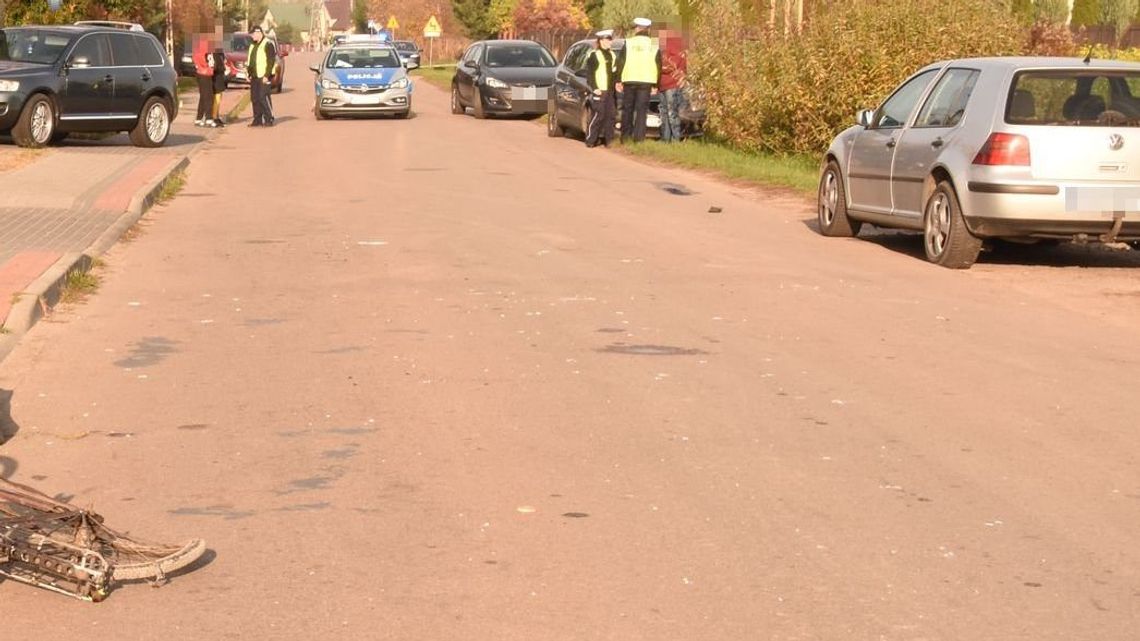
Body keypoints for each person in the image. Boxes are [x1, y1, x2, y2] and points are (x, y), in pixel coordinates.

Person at [615, 17, 661, 143]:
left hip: (629, 80)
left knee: (628, 109)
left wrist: (618, 80)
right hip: (646, 82)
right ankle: (639, 139)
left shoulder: (628, 43)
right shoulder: (654, 45)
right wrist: (656, 84)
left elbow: (621, 62)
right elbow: (658, 65)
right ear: (648, 29)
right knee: (641, 111)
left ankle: (625, 137)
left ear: (637, 28)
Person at [584, 29, 617, 148]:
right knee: (599, 114)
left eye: (610, 40)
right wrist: (594, 88)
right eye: (608, 40)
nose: (610, 42)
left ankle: (609, 141)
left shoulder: (612, 55)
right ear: (601, 41)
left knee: (611, 115)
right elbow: (590, 74)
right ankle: (590, 139)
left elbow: (614, 72)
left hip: (610, 90)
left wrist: (617, 83)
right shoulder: (594, 55)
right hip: (599, 89)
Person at [657, 29, 687, 143]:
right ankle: (665, 139)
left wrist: (662, 67)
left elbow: (674, 63)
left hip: (671, 83)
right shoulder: (661, 44)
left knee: (671, 112)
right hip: (662, 84)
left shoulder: (674, 42)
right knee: (663, 111)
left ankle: (676, 139)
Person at [247, 27, 278, 127]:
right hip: (255, 75)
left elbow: (271, 61)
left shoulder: (268, 44)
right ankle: (257, 119)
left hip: (264, 75)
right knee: (254, 98)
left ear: (258, 33)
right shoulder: (253, 44)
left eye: (253, 34)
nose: (252, 36)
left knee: (263, 97)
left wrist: (267, 75)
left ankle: (269, 118)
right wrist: (249, 73)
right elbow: (250, 60)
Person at [193, 36, 214, 127]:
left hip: (203, 72)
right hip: (204, 72)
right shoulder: (205, 44)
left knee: (203, 96)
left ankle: (199, 118)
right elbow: (204, 57)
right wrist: (207, 66)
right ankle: (209, 118)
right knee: (208, 96)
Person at [209, 47, 227, 127]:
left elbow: (221, 61)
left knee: (219, 96)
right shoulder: (212, 52)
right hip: (215, 76)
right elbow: (214, 65)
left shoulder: (220, 52)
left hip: (220, 76)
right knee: (216, 97)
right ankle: (214, 117)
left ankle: (216, 115)